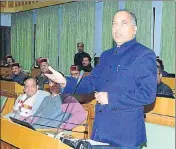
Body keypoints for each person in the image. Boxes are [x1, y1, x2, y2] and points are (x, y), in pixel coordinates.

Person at [45, 10, 157, 149]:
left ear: (134, 29)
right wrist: (64, 81)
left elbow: (147, 94)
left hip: (125, 136)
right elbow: (90, 82)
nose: (117, 28)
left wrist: (111, 98)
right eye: (114, 24)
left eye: (123, 23)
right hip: (100, 131)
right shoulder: (106, 55)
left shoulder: (144, 55)